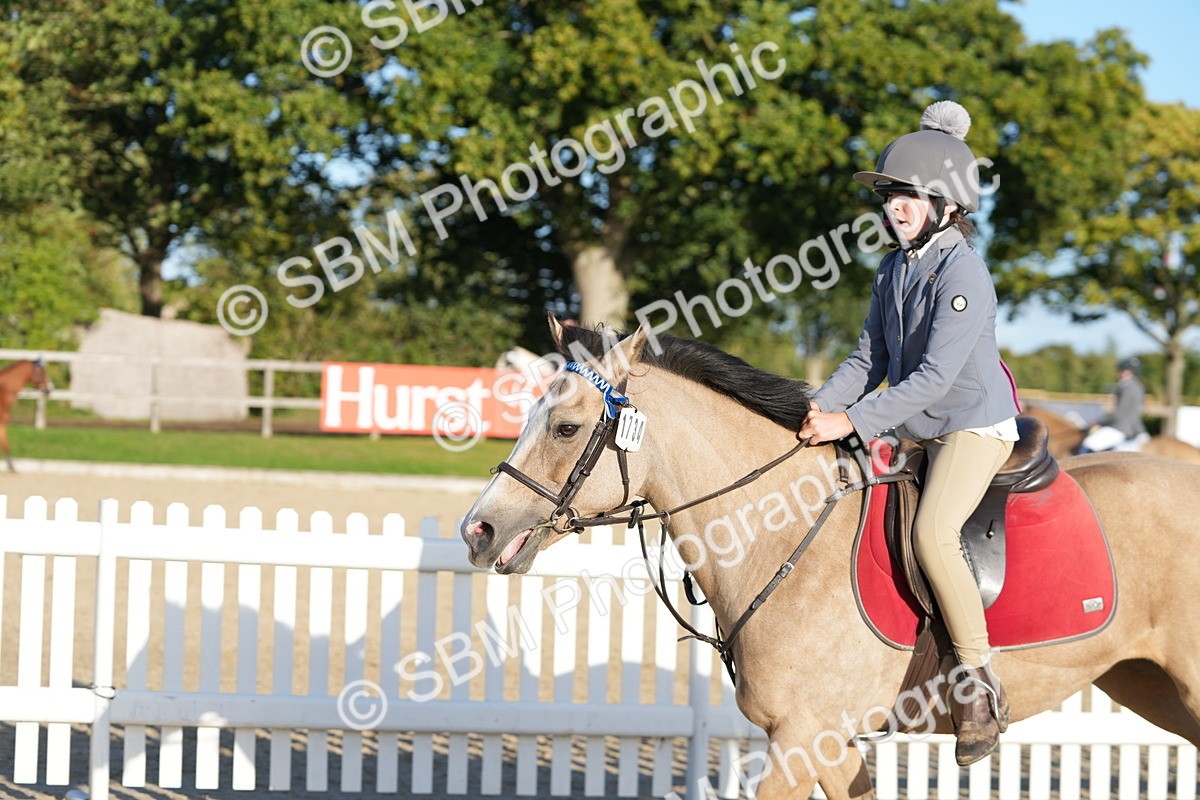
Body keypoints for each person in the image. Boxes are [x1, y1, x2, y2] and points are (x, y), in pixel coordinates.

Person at [797, 101, 1021, 766]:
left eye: (909, 195)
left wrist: (850, 420)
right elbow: (868, 361)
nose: (894, 206)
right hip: (920, 427)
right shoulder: (893, 269)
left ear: (946, 204)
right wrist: (811, 409)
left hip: (973, 426)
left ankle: (977, 686)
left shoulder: (964, 273)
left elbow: (927, 378)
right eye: (890, 193)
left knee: (931, 533)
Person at [1078, 358, 1148, 453]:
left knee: (1088, 444)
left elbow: (1118, 414)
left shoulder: (1128, 388)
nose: (1117, 374)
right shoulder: (1137, 386)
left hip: (1120, 428)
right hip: (1133, 428)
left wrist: (1098, 422)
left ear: (1126, 372)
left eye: (1119, 371)